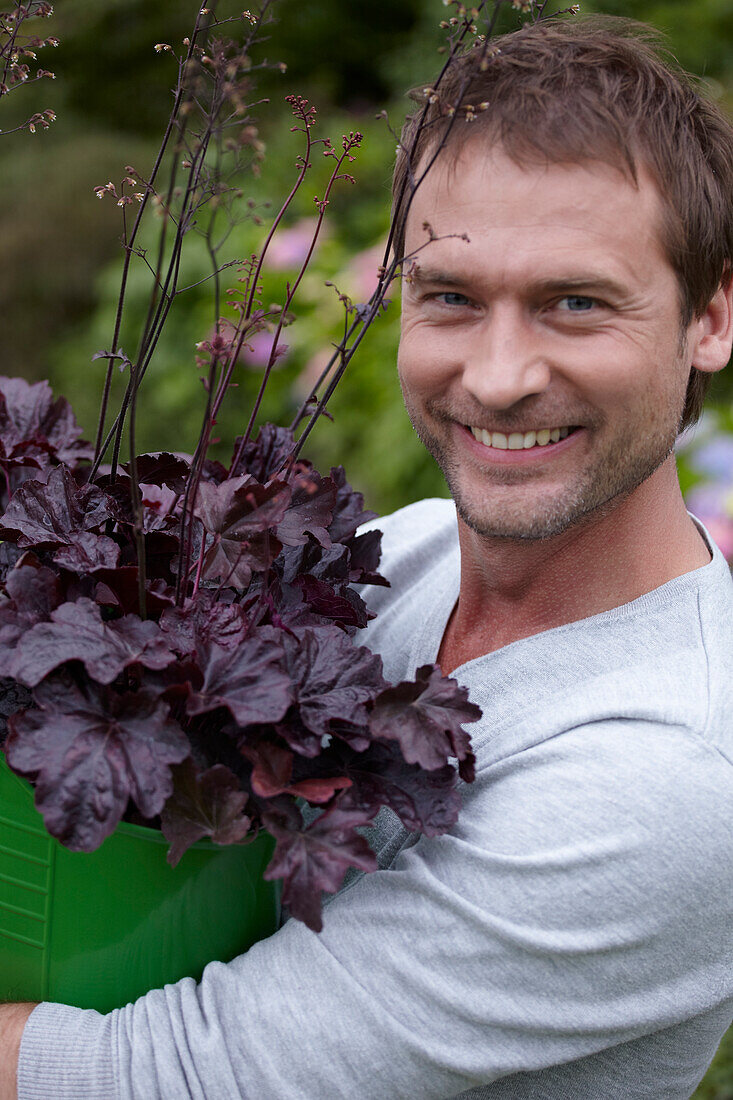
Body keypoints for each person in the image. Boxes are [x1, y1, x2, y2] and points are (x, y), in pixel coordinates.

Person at [1, 14, 732, 1099]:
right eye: (451, 298)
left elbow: (155, 1079)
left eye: (574, 304)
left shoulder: (666, 777)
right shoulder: (399, 556)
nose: (495, 376)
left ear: (709, 319)